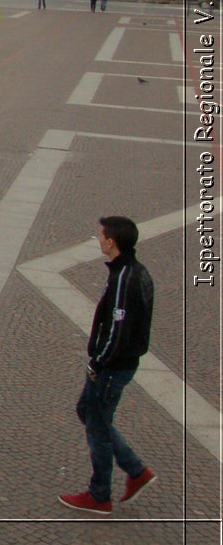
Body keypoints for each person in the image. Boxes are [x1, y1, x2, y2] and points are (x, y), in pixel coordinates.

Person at [58, 215, 158, 515]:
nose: (98, 239)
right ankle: (136, 471)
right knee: (87, 412)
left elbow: (118, 329)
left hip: (112, 368)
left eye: (100, 235)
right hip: (117, 365)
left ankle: (100, 494)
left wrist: (98, 363)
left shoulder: (124, 278)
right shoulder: (129, 271)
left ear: (111, 241)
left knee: (98, 428)